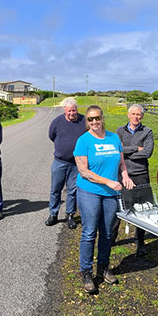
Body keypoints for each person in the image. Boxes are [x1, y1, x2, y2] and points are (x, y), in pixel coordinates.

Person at [73, 105, 134, 294]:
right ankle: (86, 272)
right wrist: (108, 181)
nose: (94, 122)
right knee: (90, 232)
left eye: (97, 118)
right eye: (90, 119)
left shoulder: (114, 138)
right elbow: (84, 172)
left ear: (102, 118)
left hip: (111, 194)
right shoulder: (83, 141)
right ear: (87, 121)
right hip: (90, 192)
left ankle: (104, 267)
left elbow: (121, 163)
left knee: (108, 232)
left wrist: (125, 176)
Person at [112, 104, 154, 256]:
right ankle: (112, 237)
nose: (136, 117)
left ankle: (140, 241)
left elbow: (148, 152)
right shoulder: (119, 131)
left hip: (140, 173)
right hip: (122, 173)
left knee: (142, 208)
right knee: (119, 206)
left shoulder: (147, 131)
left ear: (142, 116)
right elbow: (117, 151)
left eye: (139, 115)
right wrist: (137, 148)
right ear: (128, 115)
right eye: (133, 114)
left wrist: (126, 150)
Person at [46, 98, 86, 229]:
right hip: (59, 162)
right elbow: (51, 136)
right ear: (64, 110)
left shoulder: (84, 121)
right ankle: (53, 214)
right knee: (55, 189)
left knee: (72, 190)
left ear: (77, 109)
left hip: (76, 163)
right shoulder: (57, 122)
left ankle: (70, 215)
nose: (72, 113)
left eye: (74, 110)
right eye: (69, 111)